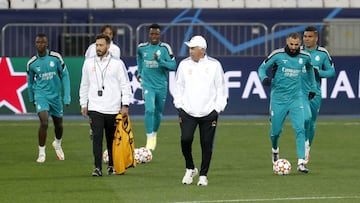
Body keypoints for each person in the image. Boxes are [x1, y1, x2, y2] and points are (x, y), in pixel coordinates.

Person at [258, 32, 316, 173]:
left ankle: (301, 162)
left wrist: (312, 86)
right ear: (287, 42)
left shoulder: (305, 57)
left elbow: (310, 69)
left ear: (300, 44)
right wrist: (264, 78)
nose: (294, 47)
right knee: (275, 132)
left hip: (296, 98)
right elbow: (261, 68)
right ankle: (275, 148)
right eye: (291, 44)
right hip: (279, 99)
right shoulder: (277, 55)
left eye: (296, 45)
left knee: (300, 128)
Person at [173, 35, 228, 186]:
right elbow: (178, 86)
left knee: (206, 143)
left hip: (209, 112)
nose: (190, 51)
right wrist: (179, 105)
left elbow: (221, 88)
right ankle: (190, 167)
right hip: (187, 111)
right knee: (185, 139)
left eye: (193, 48)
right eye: (189, 48)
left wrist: (218, 108)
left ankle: (203, 174)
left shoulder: (214, 65)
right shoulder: (184, 65)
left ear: (202, 50)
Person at [79, 34, 132, 176]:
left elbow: (125, 85)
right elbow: (84, 85)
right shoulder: (88, 63)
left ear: (108, 46)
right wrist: (83, 103)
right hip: (95, 107)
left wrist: (125, 104)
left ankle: (111, 165)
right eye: (96, 45)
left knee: (111, 138)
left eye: (101, 45)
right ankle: (97, 167)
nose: (98, 48)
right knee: (97, 137)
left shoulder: (117, 64)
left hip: (113, 107)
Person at [26, 33, 71, 163]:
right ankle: (41, 153)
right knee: (44, 122)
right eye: (37, 42)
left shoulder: (56, 58)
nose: (40, 44)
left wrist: (66, 96)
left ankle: (57, 143)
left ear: (47, 44)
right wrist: (31, 97)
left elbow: (65, 76)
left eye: (42, 42)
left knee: (59, 125)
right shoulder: (32, 63)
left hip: (55, 97)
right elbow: (30, 82)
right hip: (41, 95)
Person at [136, 23, 177, 151]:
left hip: (161, 86)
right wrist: (139, 72)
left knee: (158, 112)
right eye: (152, 33)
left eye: (156, 34)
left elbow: (173, 66)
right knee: (150, 109)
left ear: (160, 35)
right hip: (147, 85)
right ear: (149, 34)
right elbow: (139, 58)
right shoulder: (142, 48)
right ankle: (149, 139)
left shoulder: (165, 49)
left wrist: (160, 61)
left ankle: (154, 134)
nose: (154, 36)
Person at [301, 26, 336, 164]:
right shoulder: (297, 52)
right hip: (299, 93)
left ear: (316, 38)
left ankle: (307, 147)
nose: (306, 39)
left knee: (311, 123)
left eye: (309, 37)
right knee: (304, 119)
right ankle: (302, 148)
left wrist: (317, 72)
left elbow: (331, 72)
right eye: (305, 36)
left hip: (315, 93)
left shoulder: (322, 53)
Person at [84, 24, 121, 140]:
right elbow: (87, 64)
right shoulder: (91, 48)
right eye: (106, 33)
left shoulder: (115, 49)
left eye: (110, 34)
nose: (108, 35)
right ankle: (93, 127)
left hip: (108, 82)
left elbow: (116, 66)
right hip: (94, 81)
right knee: (94, 105)